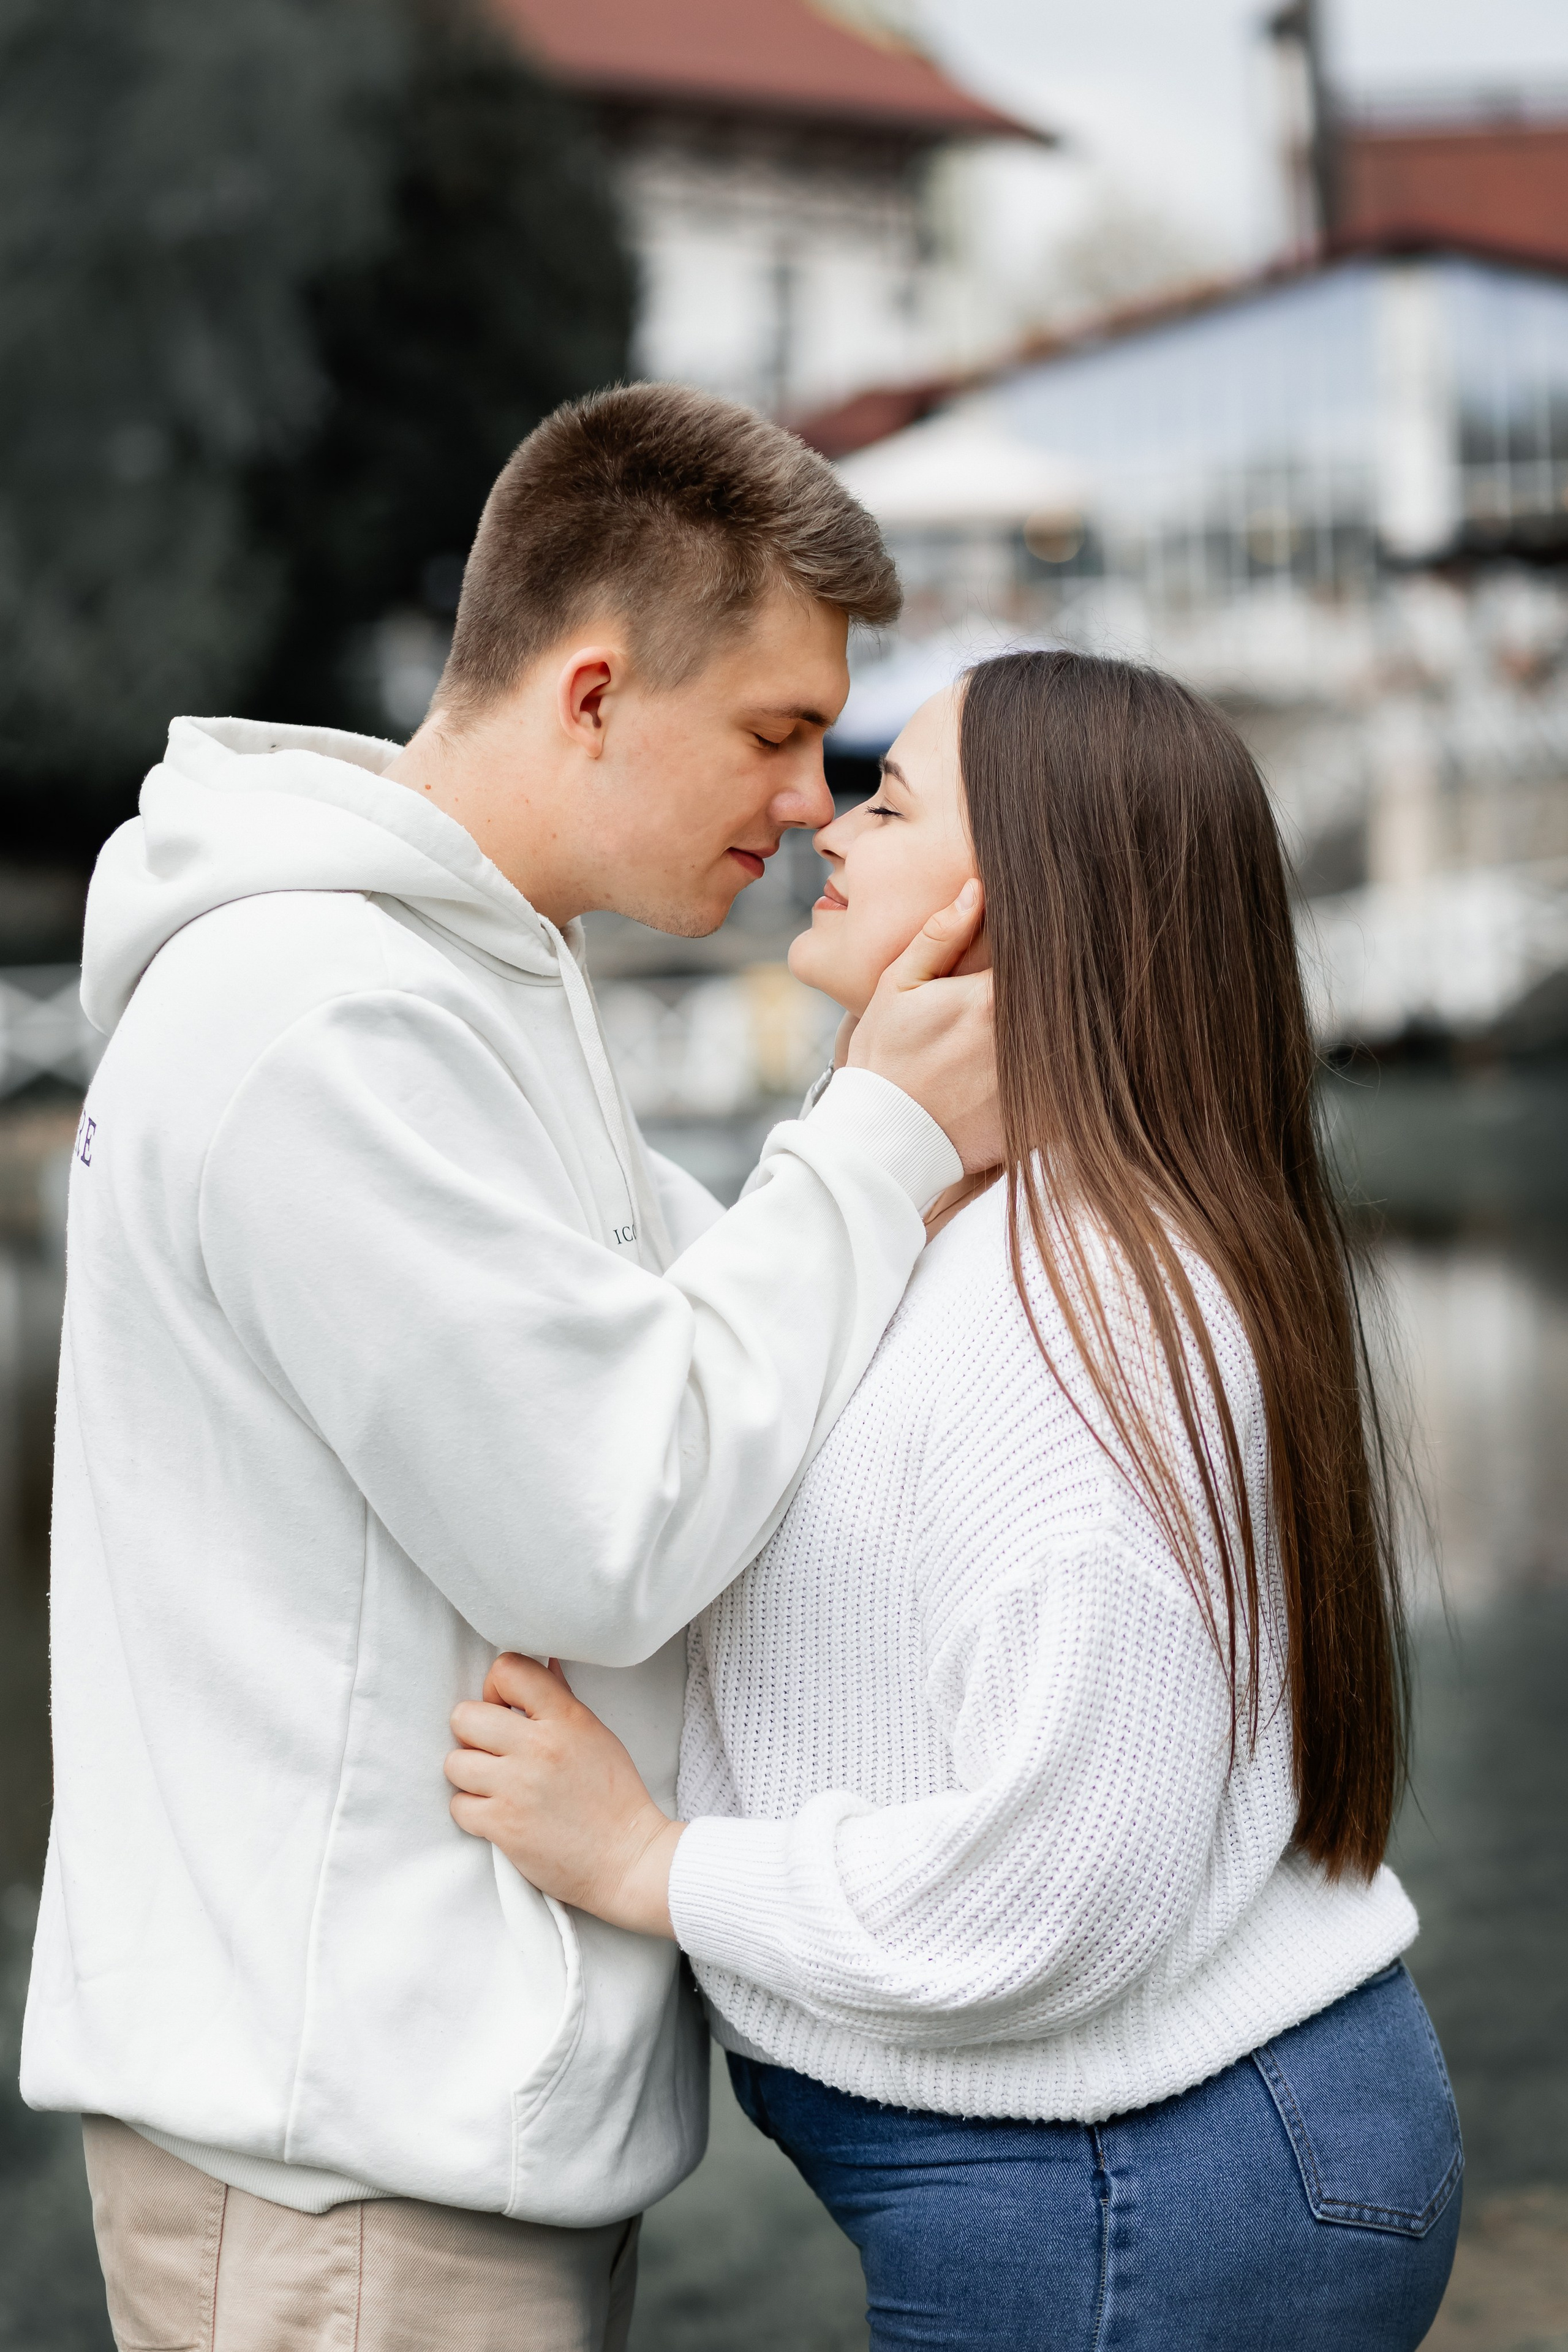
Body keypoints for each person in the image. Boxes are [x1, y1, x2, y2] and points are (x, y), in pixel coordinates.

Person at [21, 385, 999, 2352]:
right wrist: (884, 1138)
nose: (814, 798)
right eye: (777, 733)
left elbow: (743, 1350)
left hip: (411, 2144)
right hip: (343, 2182)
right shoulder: (326, 1022)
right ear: (591, 692)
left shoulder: (470, 977)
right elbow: (606, 1525)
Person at [447, 650, 1464, 2352]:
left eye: (890, 801)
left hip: (1134, 2192)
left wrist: (654, 1865)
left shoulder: (1059, 1298)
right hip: (1148, 2173)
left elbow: (1058, 1884)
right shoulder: (995, 1230)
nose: (829, 830)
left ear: (1012, 905)